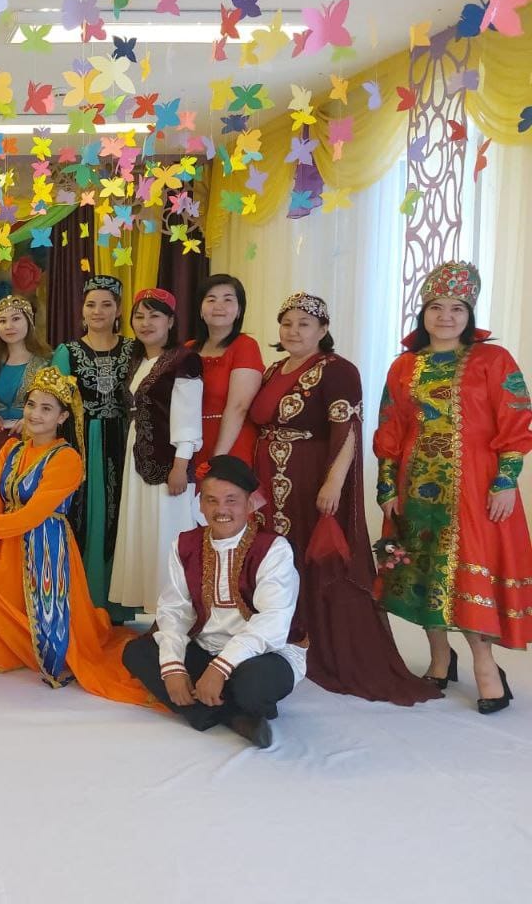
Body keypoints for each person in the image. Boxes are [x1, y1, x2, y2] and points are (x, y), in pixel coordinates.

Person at [0, 366, 150, 706]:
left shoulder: (67, 458)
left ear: (62, 417)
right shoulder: (11, 450)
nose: (35, 414)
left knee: (48, 624)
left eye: (46, 408)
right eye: (31, 405)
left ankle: (20, 648)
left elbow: (34, 513)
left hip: (44, 547)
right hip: (4, 539)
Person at [249, 293, 438, 705]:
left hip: (309, 477)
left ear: (323, 329)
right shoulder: (275, 369)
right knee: (277, 556)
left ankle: (321, 642)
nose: (293, 331)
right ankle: (281, 636)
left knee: (313, 555)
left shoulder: (337, 369)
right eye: (287, 323)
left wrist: (333, 483)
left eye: (304, 324)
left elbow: (348, 429)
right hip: (269, 478)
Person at [375, 262, 532, 714]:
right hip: (417, 487)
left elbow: (516, 422)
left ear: (470, 313)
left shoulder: (493, 361)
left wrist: (505, 481)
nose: (446, 316)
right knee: (423, 571)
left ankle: (486, 667)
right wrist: (387, 487)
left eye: (457, 308)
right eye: (436, 307)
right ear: (423, 312)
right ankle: (441, 658)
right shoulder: (404, 366)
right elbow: (390, 430)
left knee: (467, 572)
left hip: (476, 487)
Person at [122, 456, 306, 749]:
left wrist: (220, 668)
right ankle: (237, 717)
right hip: (205, 647)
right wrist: (173, 666)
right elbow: (175, 610)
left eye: (231, 500)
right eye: (211, 500)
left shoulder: (273, 549)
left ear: (249, 504)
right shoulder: (185, 544)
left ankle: (210, 707)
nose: (221, 510)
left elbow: (273, 622)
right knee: (137, 652)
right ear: (201, 504)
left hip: (263, 654)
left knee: (253, 684)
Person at [109, 288, 203, 616]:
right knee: (144, 533)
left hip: (169, 461)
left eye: (155, 316)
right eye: (139, 316)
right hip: (137, 458)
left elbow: (189, 417)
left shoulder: (184, 360)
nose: (146, 323)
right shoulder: (137, 360)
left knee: (168, 535)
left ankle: (174, 614)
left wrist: (180, 465)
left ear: (171, 321)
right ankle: (151, 611)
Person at [52, 275, 136, 617]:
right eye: (91, 304)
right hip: (81, 441)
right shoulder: (68, 352)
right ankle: (80, 601)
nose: (98, 311)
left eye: (106, 304)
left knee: (121, 515)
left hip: (126, 441)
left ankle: (116, 604)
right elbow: (54, 400)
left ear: (118, 310)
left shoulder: (134, 349)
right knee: (83, 515)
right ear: (82, 310)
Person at [189, 274, 264, 471]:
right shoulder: (187, 349)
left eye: (228, 299)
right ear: (200, 309)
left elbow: (239, 407)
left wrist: (218, 458)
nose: (219, 306)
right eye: (211, 299)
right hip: (190, 444)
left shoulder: (246, 346)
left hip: (231, 444)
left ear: (239, 310)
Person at [0, 294, 51, 462]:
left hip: (33, 439)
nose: (9, 326)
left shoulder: (46, 362)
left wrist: (31, 418)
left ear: (29, 321)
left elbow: (55, 403)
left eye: (16, 319)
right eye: (2, 321)